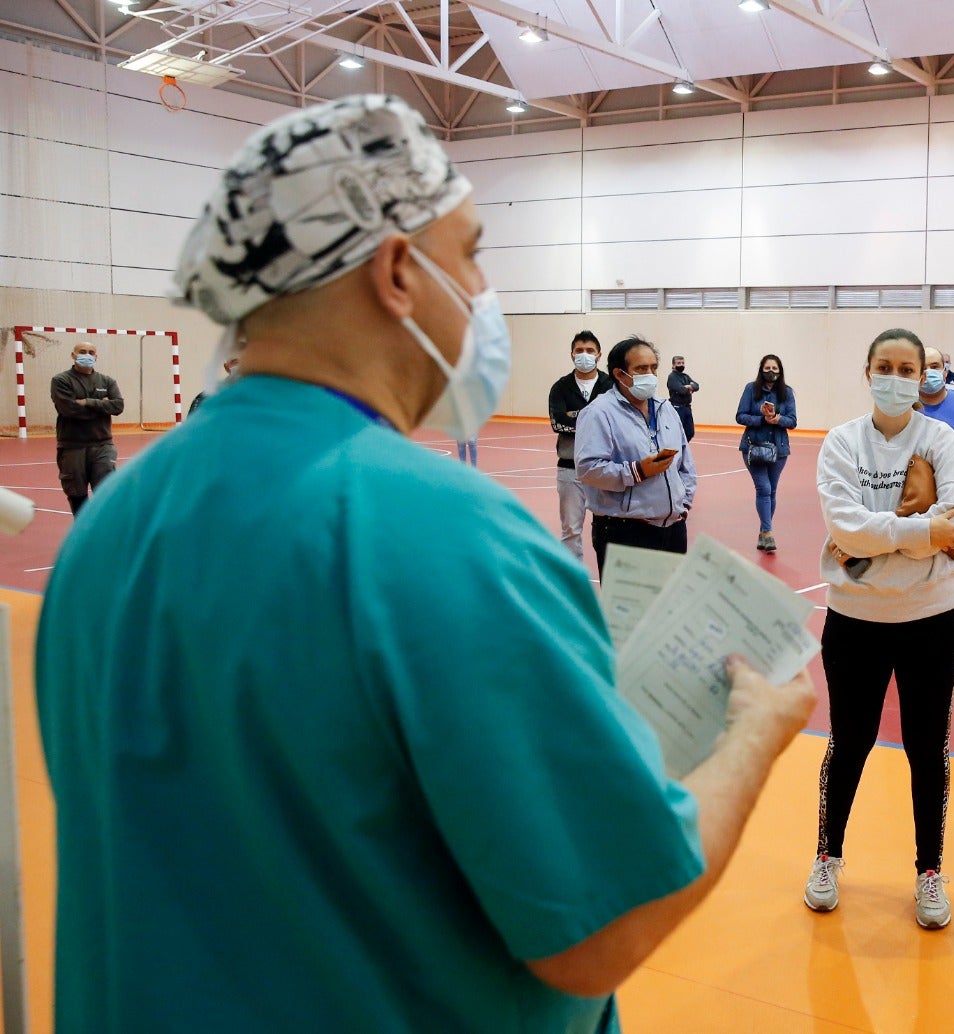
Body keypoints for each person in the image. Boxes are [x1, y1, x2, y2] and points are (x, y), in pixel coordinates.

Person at [36, 94, 815, 1033]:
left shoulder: (112, 523)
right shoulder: (446, 535)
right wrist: (753, 736)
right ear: (399, 271)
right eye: (475, 254)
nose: (484, 291)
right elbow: (604, 925)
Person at [806, 327, 954, 931]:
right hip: (854, 622)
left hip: (931, 620)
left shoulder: (941, 439)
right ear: (868, 371)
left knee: (928, 748)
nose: (900, 378)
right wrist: (919, 528)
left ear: (926, 376)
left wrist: (898, 531)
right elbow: (845, 527)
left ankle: (929, 870)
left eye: (910, 369)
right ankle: (828, 855)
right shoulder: (840, 443)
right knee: (848, 741)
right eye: (887, 366)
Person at [576, 335, 696, 578]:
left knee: (666, 610)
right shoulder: (599, 413)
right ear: (619, 374)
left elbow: (685, 463)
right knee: (629, 615)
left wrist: (683, 503)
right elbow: (588, 469)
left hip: (673, 530)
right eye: (641, 368)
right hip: (625, 532)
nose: (650, 374)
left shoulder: (666, 409)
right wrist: (636, 471)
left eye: (653, 367)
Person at [548, 330, 612, 560]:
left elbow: (617, 422)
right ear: (571, 355)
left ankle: (610, 579)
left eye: (590, 351)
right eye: (579, 351)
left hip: (606, 468)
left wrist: (574, 414)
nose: (584, 355)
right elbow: (558, 423)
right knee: (571, 530)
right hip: (569, 468)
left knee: (608, 529)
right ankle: (572, 586)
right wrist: (595, 419)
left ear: (599, 355)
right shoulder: (560, 387)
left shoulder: (611, 385)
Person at [49, 341, 124, 516]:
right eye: (83, 351)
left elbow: (118, 407)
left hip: (103, 445)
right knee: (77, 494)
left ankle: (105, 534)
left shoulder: (107, 381)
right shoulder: (61, 380)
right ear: (73, 355)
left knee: (106, 493)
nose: (87, 355)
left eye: (91, 352)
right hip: (72, 447)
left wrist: (88, 402)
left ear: (96, 357)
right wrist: (102, 406)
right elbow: (69, 410)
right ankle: (82, 536)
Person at [734, 353, 797, 553]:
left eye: (775, 369)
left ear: (780, 371)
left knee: (772, 490)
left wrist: (778, 420)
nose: (771, 372)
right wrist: (760, 419)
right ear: (762, 369)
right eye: (768, 368)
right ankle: (769, 533)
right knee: (764, 489)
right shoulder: (750, 389)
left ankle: (763, 533)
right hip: (754, 448)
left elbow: (793, 421)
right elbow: (740, 416)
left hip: (779, 449)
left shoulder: (787, 392)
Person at [667, 354, 700, 441]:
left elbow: (696, 386)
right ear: (673, 365)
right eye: (678, 363)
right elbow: (681, 390)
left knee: (690, 432)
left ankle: (682, 448)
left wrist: (688, 386)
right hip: (677, 408)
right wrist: (688, 387)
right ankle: (677, 450)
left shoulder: (685, 376)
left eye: (682, 363)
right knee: (678, 432)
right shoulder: (672, 377)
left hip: (687, 407)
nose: (681, 365)